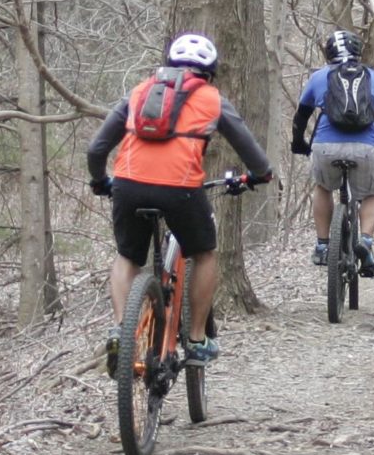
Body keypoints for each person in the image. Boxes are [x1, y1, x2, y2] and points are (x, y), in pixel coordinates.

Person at [86, 33, 272, 374]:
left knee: (128, 257)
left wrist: (100, 181)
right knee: (204, 254)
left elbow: (97, 149)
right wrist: (261, 174)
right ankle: (198, 340)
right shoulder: (212, 98)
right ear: (210, 72)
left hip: (128, 186)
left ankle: (119, 330)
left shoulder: (139, 91)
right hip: (180, 190)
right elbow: (249, 147)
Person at [291, 30, 374, 277]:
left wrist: (298, 143)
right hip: (366, 148)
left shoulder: (319, 77)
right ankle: (365, 242)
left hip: (325, 147)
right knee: (372, 194)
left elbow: (301, 116)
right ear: (358, 53)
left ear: (329, 53)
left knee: (323, 187)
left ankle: (323, 245)